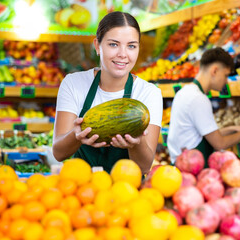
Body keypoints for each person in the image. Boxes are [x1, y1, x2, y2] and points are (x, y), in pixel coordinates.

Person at [52, 11, 163, 174]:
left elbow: (145, 167)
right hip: (81, 189)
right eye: (113, 44)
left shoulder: (149, 93)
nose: (123, 54)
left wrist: (136, 144)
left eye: (131, 46)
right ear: (97, 46)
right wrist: (75, 135)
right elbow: (58, 153)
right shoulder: (73, 83)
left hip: (126, 192)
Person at [167, 47, 240, 164]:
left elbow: (206, 133)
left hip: (182, 163)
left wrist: (234, 129)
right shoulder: (198, 99)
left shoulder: (186, 92)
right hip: (192, 167)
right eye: (226, 75)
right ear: (214, 71)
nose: (226, 81)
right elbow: (220, 143)